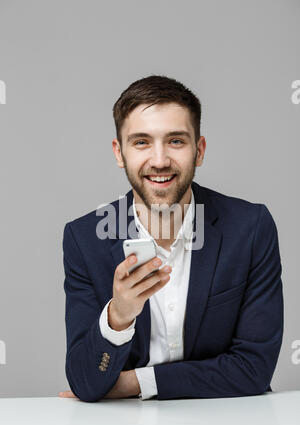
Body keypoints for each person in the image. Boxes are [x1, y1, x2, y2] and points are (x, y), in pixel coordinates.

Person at [59, 75, 283, 402]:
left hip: (229, 424)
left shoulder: (250, 228)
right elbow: (85, 382)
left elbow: (253, 369)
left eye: (176, 141)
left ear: (199, 150)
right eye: (141, 142)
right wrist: (118, 316)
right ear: (119, 153)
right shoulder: (84, 240)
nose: (160, 160)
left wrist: (135, 383)